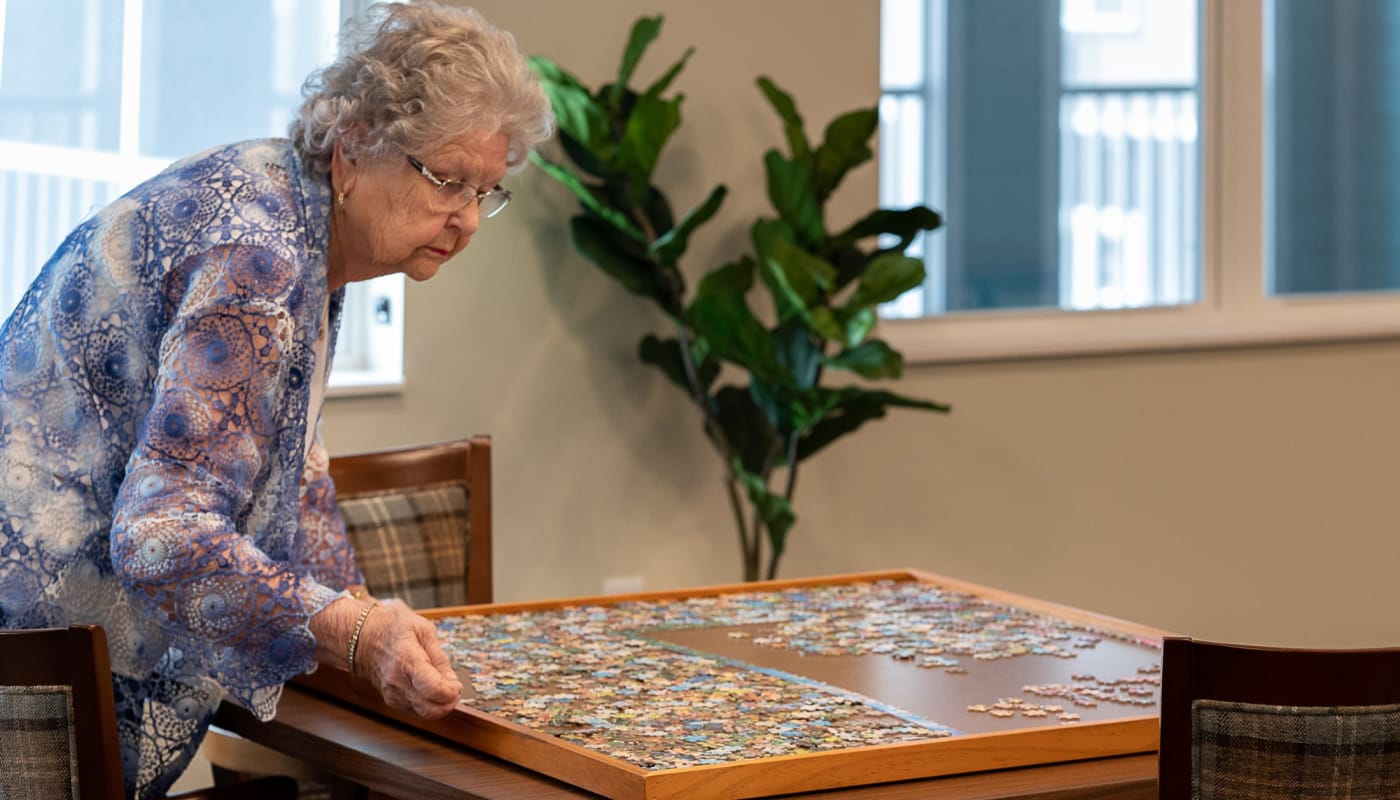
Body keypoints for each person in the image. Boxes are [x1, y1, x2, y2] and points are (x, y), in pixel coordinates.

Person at [0, 3, 553, 797]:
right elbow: (162, 535)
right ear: (357, 140)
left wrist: (360, 619)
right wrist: (353, 631)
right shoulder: (257, 255)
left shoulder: (305, 219)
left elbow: (292, 471)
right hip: (29, 652)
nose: (466, 218)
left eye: (487, 190)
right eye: (447, 180)